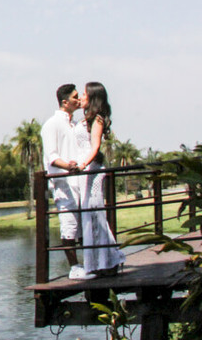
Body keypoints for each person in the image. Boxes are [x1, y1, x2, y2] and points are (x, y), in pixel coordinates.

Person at [76, 81, 126, 277]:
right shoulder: (85, 120)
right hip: (83, 170)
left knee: (95, 213)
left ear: (92, 97)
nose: (81, 97)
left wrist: (82, 165)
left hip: (92, 169)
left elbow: (95, 146)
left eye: (84, 94)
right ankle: (99, 262)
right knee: (89, 215)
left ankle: (106, 261)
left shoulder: (97, 119)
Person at [41, 83, 84, 274]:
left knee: (84, 223)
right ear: (65, 102)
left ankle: (89, 263)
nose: (79, 100)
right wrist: (69, 167)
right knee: (69, 224)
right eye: (75, 97)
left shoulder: (75, 125)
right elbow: (52, 156)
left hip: (79, 181)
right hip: (64, 183)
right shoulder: (52, 124)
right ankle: (74, 266)